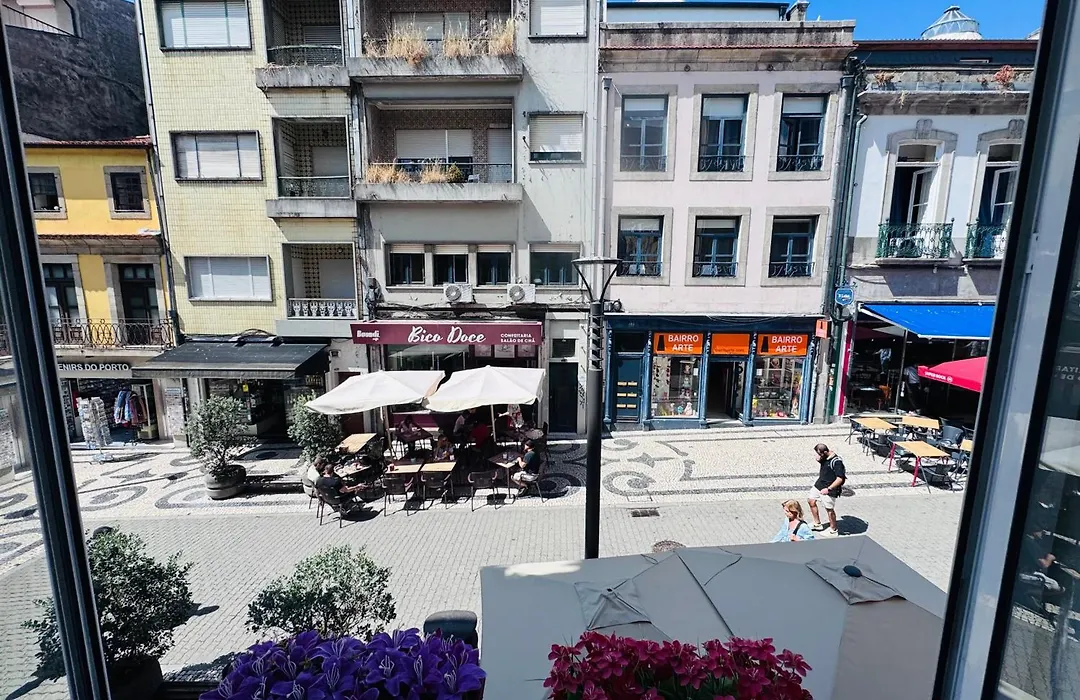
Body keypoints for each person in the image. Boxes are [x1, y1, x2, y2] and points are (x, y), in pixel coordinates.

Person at [807, 443, 846, 536]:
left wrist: (829, 489)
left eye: (820, 454)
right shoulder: (825, 457)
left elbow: (840, 479)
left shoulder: (837, 462)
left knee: (829, 509)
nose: (819, 455)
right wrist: (819, 460)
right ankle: (817, 524)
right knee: (811, 500)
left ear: (825, 452)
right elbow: (825, 466)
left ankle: (833, 530)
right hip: (820, 484)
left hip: (829, 488)